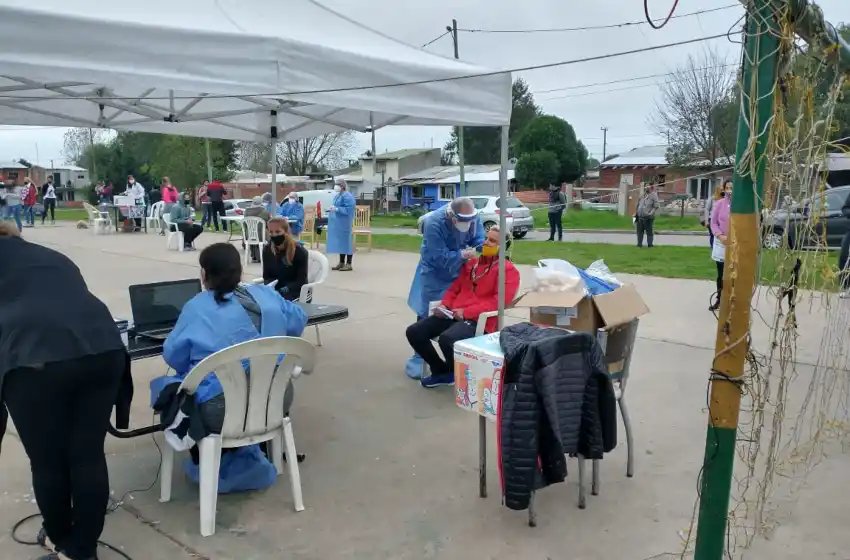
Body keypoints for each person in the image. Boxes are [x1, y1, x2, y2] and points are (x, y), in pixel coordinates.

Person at [0, 221, 131, 560]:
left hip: (34, 359)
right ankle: (82, 548)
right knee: (86, 455)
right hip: (103, 348)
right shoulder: (51, 256)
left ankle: (63, 544)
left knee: (47, 462)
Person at [162, 243, 308, 465]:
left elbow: (174, 356)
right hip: (277, 400)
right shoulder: (266, 295)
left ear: (204, 274)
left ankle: (211, 459)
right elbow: (297, 320)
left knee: (169, 388)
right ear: (239, 271)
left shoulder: (197, 307)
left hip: (220, 411)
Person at [406, 226, 519, 388]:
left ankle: (457, 374)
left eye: (492, 241)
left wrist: (466, 312)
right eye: (487, 238)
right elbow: (455, 288)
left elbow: (499, 302)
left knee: (448, 339)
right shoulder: (472, 264)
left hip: (478, 320)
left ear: (503, 246)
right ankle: (442, 370)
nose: (486, 242)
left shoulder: (508, 270)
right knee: (414, 331)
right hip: (453, 314)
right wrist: (445, 304)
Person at [404, 197, 485, 379]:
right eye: (462, 221)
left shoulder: (473, 217)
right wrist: (462, 254)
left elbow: (479, 237)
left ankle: (454, 357)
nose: (467, 224)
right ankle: (420, 357)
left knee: (455, 310)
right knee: (428, 310)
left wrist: (482, 247)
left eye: (469, 221)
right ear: (451, 215)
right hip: (435, 271)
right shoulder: (433, 223)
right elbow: (439, 256)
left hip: (460, 270)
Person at [262, 217, 309, 301]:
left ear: (286, 232)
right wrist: (270, 288)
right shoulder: (267, 250)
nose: (274, 235)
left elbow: (301, 281)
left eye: (278, 232)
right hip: (276, 290)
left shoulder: (300, 251)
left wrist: (283, 290)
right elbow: (266, 276)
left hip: (296, 291)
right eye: (271, 232)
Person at [710, 180, 732, 311]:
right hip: (721, 242)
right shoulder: (719, 204)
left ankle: (732, 300)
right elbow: (713, 223)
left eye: (732, 188)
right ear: (724, 189)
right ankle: (719, 298)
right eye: (727, 188)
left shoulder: (740, 205)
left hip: (735, 243)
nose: (730, 190)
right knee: (721, 274)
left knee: (734, 273)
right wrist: (720, 235)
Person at [326, 179, 356, 271]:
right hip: (338, 223)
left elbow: (349, 209)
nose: (336, 186)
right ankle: (341, 262)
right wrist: (332, 208)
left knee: (347, 242)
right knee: (341, 243)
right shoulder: (338, 196)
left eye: (337, 185)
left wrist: (337, 209)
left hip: (345, 223)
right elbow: (336, 206)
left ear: (342, 186)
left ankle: (349, 264)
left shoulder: (347, 196)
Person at [244, 197, 271, 263]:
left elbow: (245, 225)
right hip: (261, 235)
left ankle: (254, 256)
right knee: (268, 235)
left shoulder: (246, 212)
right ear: (261, 202)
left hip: (249, 235)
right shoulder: (265, 212)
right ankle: (266, 255)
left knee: (253, 233)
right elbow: (269, 225)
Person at [635, 183, 660, 248]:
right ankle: (639, 244)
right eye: (645, 187)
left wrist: (651, 213)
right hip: (640, 216)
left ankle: (650, 245)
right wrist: (636, 211)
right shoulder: (643, 195)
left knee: (649, 231)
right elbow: (637, 205)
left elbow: (656, 206)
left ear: (651, 187)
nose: (646, 188)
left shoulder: (654, 195)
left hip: (648, 217)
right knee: (639, 231)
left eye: (647, 186)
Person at [703, 183, 724, 248]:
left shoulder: (725, 199)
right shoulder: (712, 199)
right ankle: (713, 248)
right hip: (712, 219)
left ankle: (719, 249)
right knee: (713, 234)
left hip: (721, 220)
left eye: (723, 190)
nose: (722, 191)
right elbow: (707, 209)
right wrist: (706, 221)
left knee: (720, 235)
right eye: (721, 190)